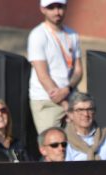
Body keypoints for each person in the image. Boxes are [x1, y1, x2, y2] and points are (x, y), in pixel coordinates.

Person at [27, 0, 82, 134]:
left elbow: (78, 70)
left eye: (60, 7)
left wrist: (68, 90)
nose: (57, 12)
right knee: (53, 145)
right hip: (46, 100)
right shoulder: (38, 35)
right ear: (42, 9)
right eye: (51, 7)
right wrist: (64, 103)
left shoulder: (73, 34)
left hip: (71, 97)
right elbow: (43, 76)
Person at [64, 92, 106, 161]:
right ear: (70, 114)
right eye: (80, 110)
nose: (86, 114)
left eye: (89, 109)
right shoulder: (64, 139)